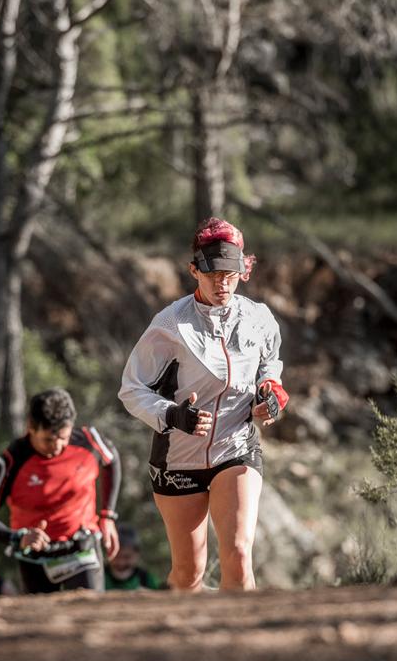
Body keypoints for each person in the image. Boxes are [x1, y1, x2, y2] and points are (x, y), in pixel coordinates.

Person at [119, 217, 289, 591]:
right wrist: (172, 414)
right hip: (179, 458)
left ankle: (244, 646)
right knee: (188, 574)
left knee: (239, 555)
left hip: (237, 449)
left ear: (244, 271)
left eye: (230, 273)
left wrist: (271, 395)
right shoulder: (170, 324)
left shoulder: (259, 318)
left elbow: (270, 368)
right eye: (212, 273)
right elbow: (131, 389)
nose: (221, 283)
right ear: (194, 269)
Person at [0, 387, 122, 593]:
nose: (58, 446)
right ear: (31, 428)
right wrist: (17, 538)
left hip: (81, 547)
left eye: (64, 437)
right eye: (49, 440)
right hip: (34, 557)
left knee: (89, 610)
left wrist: (107, 516)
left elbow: (112, 459)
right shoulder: (12, 462)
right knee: (40, 620)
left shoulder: (88, 442)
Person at [104, 525, 165, 591]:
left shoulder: (146, 579)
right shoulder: (99, 577)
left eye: (127, 557)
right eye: (115, 556)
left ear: (137, 554)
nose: (121, 562)